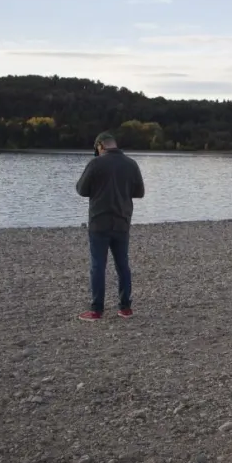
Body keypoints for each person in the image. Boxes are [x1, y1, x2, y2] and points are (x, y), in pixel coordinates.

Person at [75, 131, 145, 321]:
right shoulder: (131, 164)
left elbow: (81, 189)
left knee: (98, 265)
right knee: (123, 265)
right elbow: (140, 192)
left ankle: (97, 310)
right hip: (122, 221)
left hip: (99, 222)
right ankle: (125, 308)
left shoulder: (96, 164)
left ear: (100, 146)